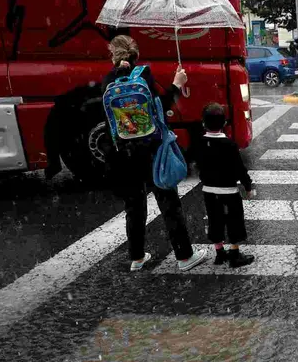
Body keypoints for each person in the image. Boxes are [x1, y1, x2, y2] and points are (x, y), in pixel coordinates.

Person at [102, 35, 206, 272]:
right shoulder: (144, 75)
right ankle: (184, 256)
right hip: (152, 149)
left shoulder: (107, 81)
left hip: (123, 152)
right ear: (136, 54)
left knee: (134, 207)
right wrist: (177, 84)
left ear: (113, 55)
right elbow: (161, 107)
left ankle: (137, 258)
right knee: (168, 202)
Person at [195, 103, 256, 268]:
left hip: (209, 191)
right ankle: (235, 254)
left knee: (214, 220)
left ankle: (220, 253)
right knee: (234, 220)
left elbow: (198, 164)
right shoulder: (229, 145)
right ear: (224, 123)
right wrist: (248, 186)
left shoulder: (199, 143)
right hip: (229, 191)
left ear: (203, 123)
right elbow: (240, 169)